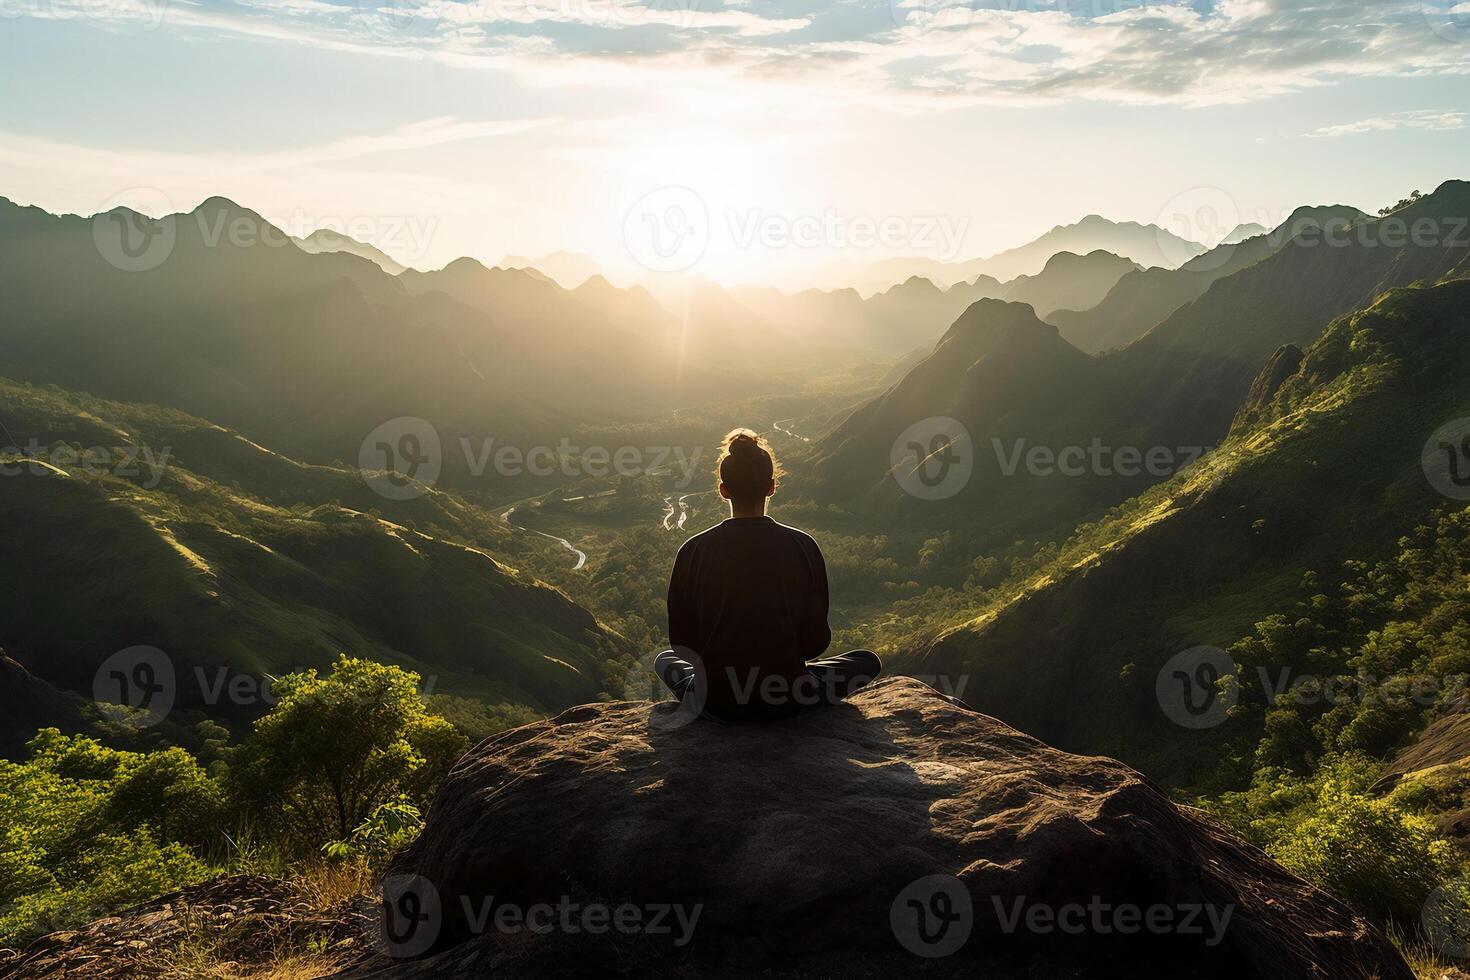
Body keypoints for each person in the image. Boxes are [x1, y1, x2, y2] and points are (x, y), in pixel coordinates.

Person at [656, 428, 881, 720]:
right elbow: (815, 643)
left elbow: (683, 647)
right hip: (789, 696)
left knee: (665, 661)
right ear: (772, 486)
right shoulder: (803, 546)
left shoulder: (692, 551)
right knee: (866, 661)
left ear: (723, 490)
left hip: (715, 701)